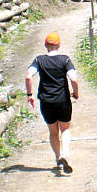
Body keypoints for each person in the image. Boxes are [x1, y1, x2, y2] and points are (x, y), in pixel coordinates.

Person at [25, 33, 79, 174]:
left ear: (46, 45)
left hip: (46, 101)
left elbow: (28, 76)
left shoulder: (39, 60)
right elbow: (73, 78)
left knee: (53, 131)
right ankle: (65, 155)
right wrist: (76, 92)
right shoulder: (65, 60)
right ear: (59, 45)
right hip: (63, 100)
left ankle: (58, 158)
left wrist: (29, 95)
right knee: (65, 129)